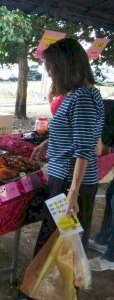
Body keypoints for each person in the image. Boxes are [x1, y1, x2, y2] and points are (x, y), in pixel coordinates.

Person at [30, 38, 105, 255]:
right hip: (65, 179)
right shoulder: (80, 94)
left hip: (68, 182)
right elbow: (76, 134)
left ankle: (52, 287)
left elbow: (83, 150)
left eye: (52, 69)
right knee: (60, 239)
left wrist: (72, 193)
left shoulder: (82, 98)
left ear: (65, 67)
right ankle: (45, 285)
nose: (51, 74)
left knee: (62, 242)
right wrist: (48, 142)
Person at [88, 100, 114, 271]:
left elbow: (100, 150)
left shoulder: (104, 111)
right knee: (111, 193)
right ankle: (103, 239)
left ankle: (111, 258)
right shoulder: (106, 107)